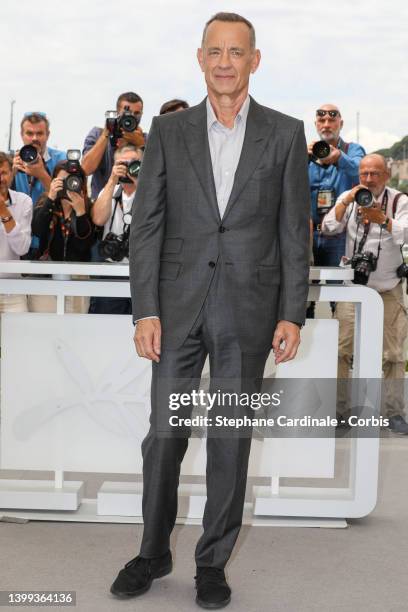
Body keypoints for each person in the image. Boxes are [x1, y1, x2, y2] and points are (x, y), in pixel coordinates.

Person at [111, 12, 310, 610]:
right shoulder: (168, 133)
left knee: (229, 438)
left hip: (249, 311)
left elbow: (293, 232)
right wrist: (144, 307)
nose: (226, 62)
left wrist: (292, 313)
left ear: (255, 59)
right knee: (165, 436)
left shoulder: (286, 132)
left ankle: (212, 562)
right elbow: (146, 227)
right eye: (215, 51)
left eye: (237, 51)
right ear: (200, 58)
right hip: (174, 310)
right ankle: (152, 551)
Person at [322, 153, 408, 435]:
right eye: (363, 174)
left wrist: (382, 220)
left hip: (388, 289)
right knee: (339, 351)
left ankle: (393, 413)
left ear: (386, 175)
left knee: (394, 353)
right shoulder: (350, 197)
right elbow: (328, 227)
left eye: (374, 174)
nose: (368, 180)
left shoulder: (399, 201)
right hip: (353, 290)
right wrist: (346, 201)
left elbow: (406, 233)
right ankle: (338, 411)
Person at [307, 104, 365, 317]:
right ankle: (300, 347)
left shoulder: (352, 150)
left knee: (341, 299)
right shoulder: (307, 153)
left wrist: (338, 157)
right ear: (316, 125)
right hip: (309, 236)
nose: (327, 124)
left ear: (341, 124)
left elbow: (362, 171)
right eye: (321, 121)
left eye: (332, 120)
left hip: (340, 236)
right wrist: (299, 158)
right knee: (303, 298)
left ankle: (343, 350)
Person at [31, 161, 95, 313]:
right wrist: (51, 198)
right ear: (54, 182)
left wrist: (80, 213)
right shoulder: (45, 202)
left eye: (72, 181)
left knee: (74, 329)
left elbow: (85, 246)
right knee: (44, 326)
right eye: (62, 181)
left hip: (77, 278)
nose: (68, 185)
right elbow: (37, 231)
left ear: (81, 183)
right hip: (46, 275)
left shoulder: (88, 207)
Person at [89, 144, 142, 314]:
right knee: (106, 324)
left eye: (133, 163)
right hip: (111, 270)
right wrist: (112, 180)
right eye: (122, 164)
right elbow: (98, 219)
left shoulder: (150, 191)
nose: (127, 168)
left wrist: (142, 184)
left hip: (142, 271)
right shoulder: (110, 190)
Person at [82, 92, 145, 201]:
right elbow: (85, 170)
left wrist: (141, 145)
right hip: (102, 204)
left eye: (137, 113)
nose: (131, 118)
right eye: (127, 113)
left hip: (136, 203)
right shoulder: (98, 134)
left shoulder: (146, 138)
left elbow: (155, 173)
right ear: (117, 114)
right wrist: (106, 133)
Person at [0, 152, 32, 327]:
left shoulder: (23, 201)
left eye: (3, 173)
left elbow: (22, 248)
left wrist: (4, 213)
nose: (0, 179)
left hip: (13, 289)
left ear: (11, 173)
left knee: (22, 342)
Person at [12, 113, 66, 206]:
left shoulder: (62, 159)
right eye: (29, 133)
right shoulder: (11, 160)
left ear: (47, 135)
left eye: (39, 133)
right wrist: (11, 174)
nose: (34, 138)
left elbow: (65, 201)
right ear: (21, 135)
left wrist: (42, 174)